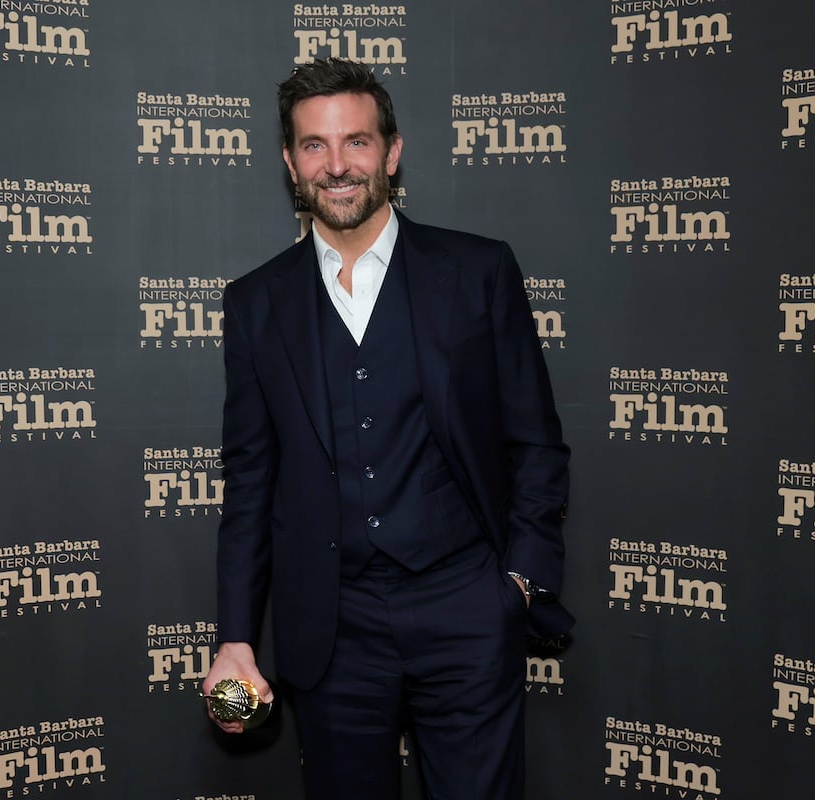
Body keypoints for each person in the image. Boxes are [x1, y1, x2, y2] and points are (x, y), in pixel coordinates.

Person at [202, 57, 572, 800]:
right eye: (315, 145)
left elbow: (536, 444)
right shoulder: (255, 304)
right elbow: (249, 483)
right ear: (289, 161)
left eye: (357, 142)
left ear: (392, 152)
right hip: (334, 631)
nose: (337, 166)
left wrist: (518, 586)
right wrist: (236, 635)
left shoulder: (478, 272)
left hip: (466, 609)